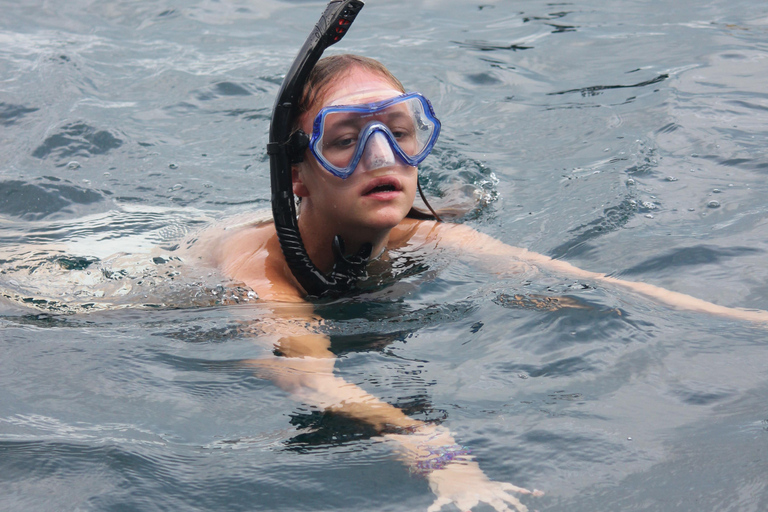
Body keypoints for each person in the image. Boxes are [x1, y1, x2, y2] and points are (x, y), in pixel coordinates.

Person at [188, 53, 768, 512]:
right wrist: (445, 460)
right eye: (344, 142)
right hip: (163, 272)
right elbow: (311, 381)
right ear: (298, 176)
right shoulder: (260, 271)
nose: (380, 156)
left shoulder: (423, 235)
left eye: (398, 131)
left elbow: (580, 279)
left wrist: (741, 320)